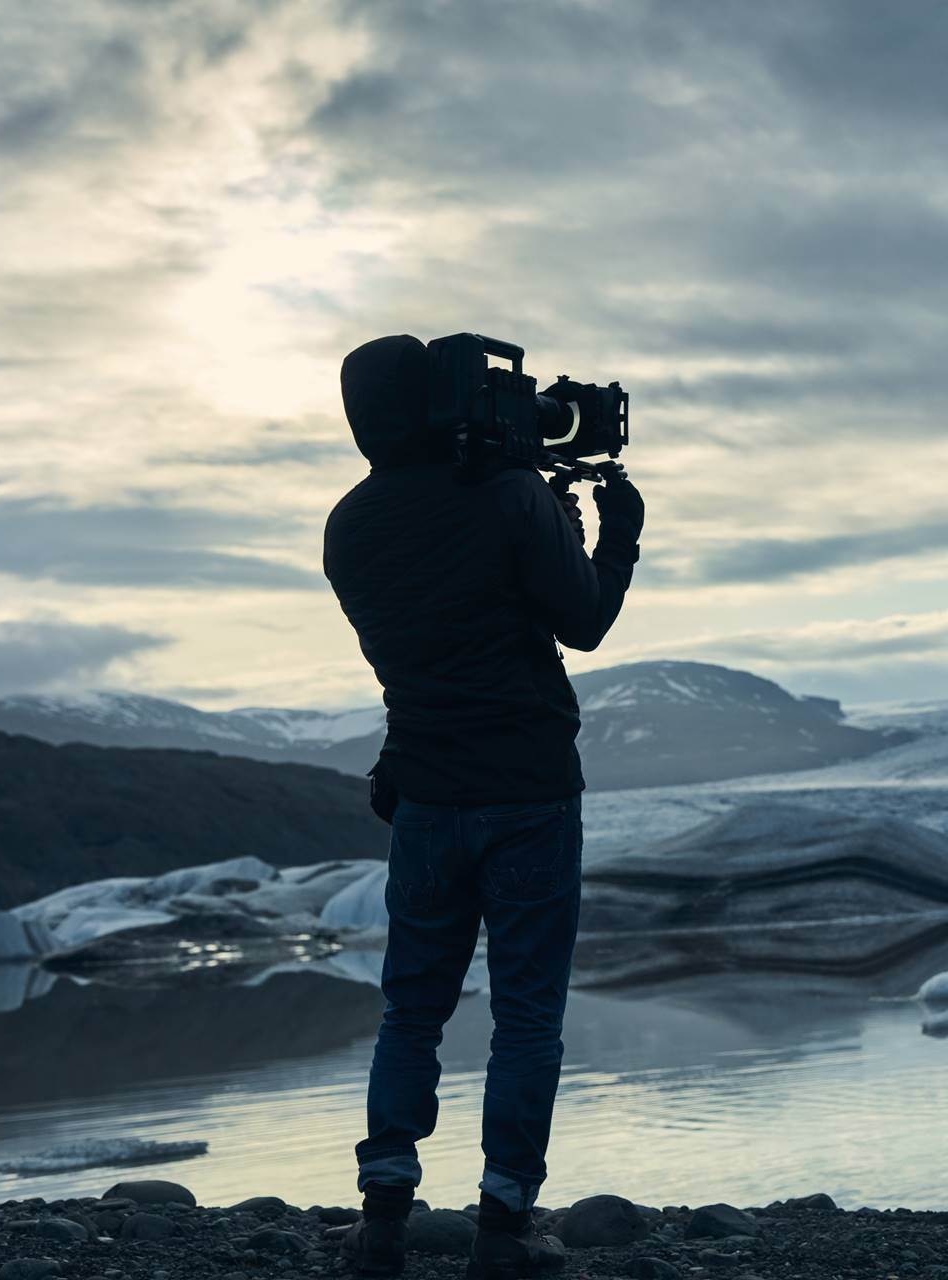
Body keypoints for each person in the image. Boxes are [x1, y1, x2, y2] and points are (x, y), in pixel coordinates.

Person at [321, 334, 643, 1277]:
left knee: (409, 1012)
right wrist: (609, 530)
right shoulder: (504, 496)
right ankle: (504, 1223)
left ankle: (383, 1214)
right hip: (530, 794)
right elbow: (582, 620)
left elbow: (431, 644)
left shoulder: (349, 525)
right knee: (528, 1016)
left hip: (425, 794)